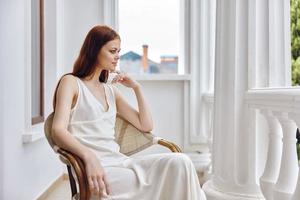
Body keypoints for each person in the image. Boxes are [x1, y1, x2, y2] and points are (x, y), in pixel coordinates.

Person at [51, 25, 206, 200]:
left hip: (121, 162)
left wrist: (136, 88)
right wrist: (89, 157)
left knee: (181, 162)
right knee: (170, 180)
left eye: (119, 51)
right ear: (94, 51)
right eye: (112, 51)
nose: (117, 56)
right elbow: (58, 130)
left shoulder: (110, 91)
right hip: (99, 169)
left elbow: (146, 125)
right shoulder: (71, 82)